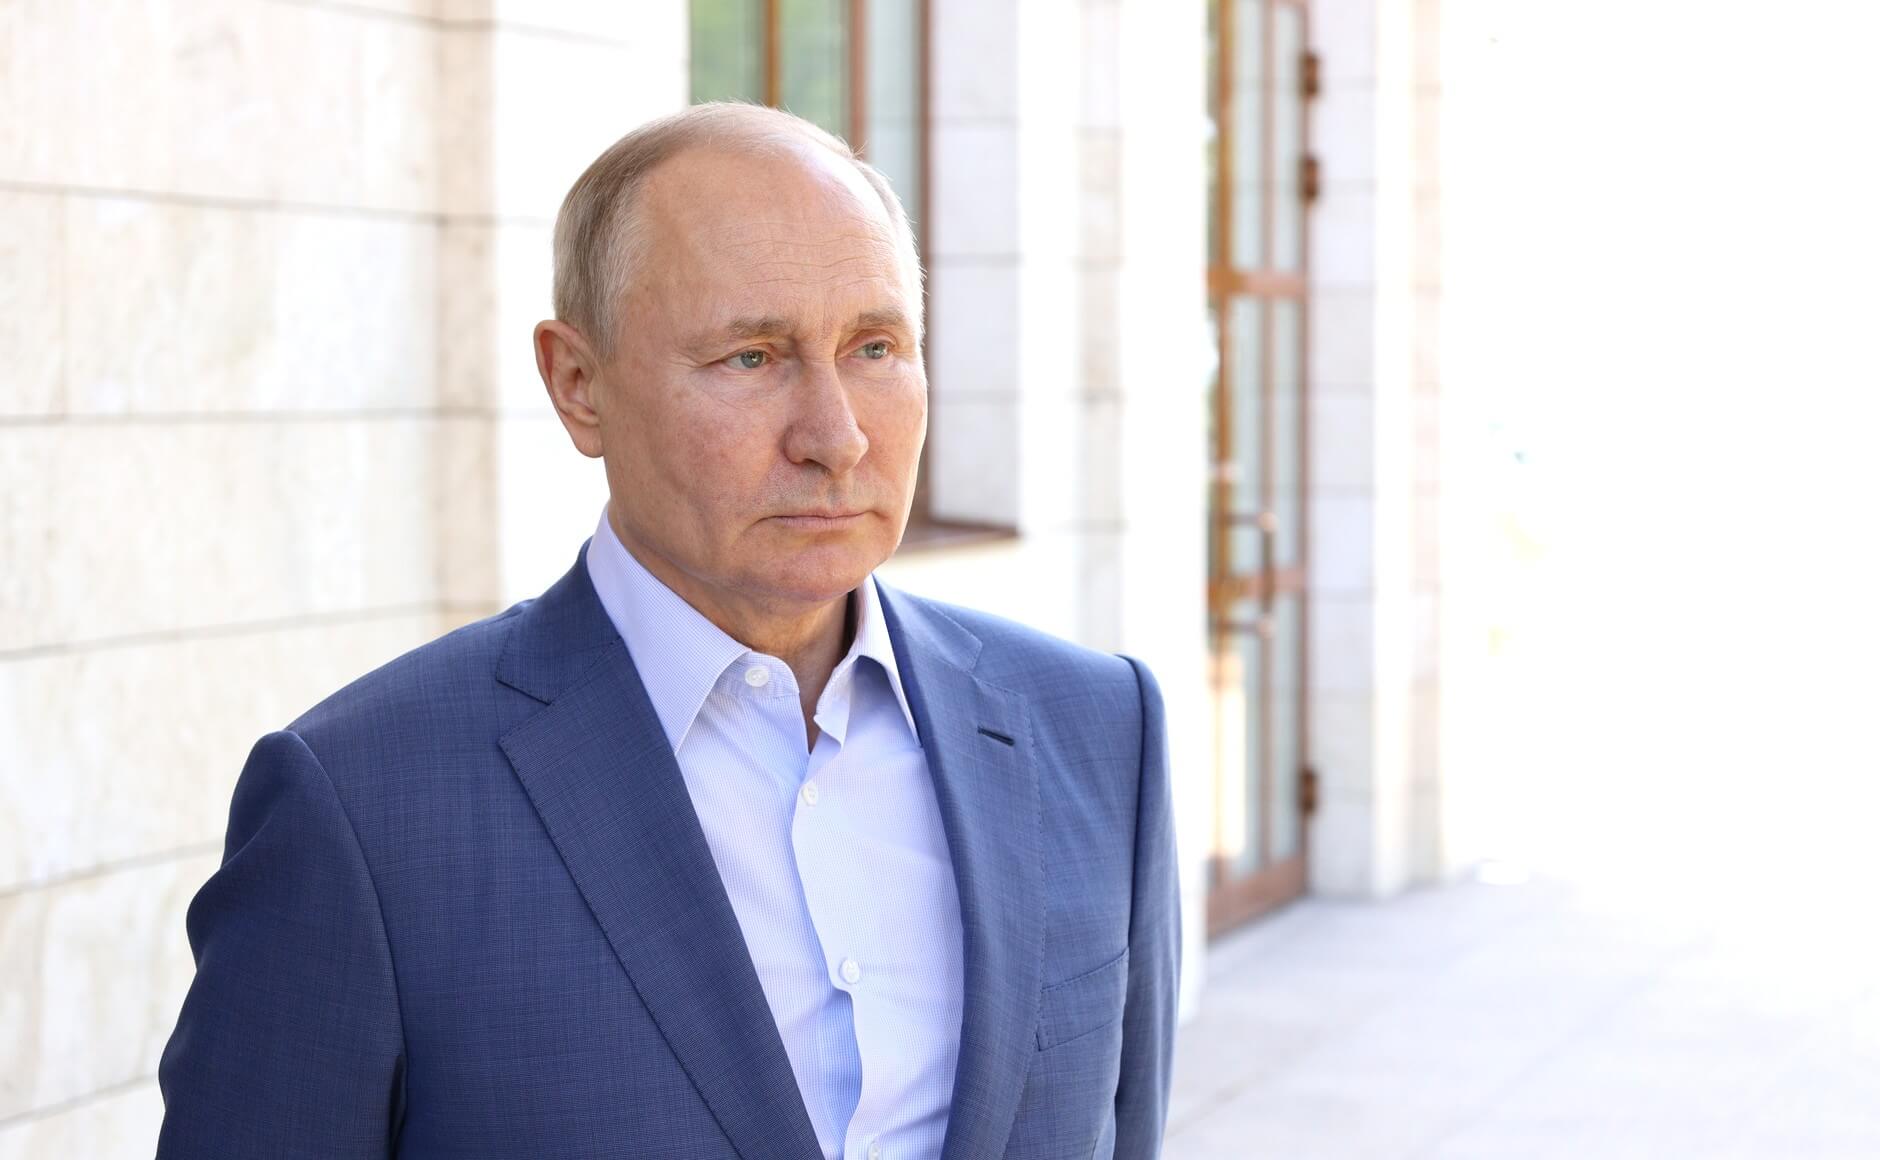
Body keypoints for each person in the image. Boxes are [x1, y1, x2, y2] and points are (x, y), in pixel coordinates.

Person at [155, 102, 1178, 1160]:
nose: (836, 436)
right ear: (578, 385)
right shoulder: (364, 806)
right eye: (752, 357)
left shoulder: (1099, 729)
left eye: (874, 347)